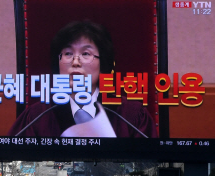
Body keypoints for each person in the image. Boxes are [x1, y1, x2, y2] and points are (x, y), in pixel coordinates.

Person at [8, 20, 157, 138]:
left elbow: (149, 166)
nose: (75, 62)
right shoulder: (37, 116)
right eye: (67, 53)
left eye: (86, 54)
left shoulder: (130, 114)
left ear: (103, 63)